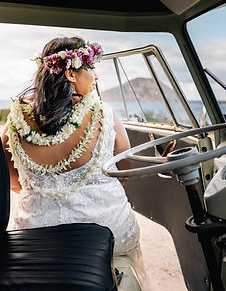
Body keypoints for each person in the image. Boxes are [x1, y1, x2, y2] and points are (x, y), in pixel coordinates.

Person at [1, 37, 150, 291]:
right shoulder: (106, 114)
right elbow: (123, 172)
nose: (96, 76)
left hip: (38, 238)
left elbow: (12, 181)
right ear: (70, 73)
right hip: (108, 231)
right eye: (91, 68)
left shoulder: (14, 124)